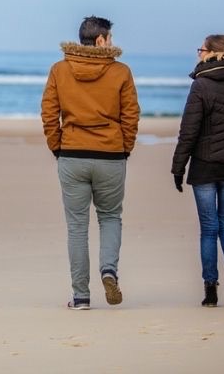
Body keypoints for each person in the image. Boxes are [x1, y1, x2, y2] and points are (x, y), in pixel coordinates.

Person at [41, 16, 140, 310]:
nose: (111, 43)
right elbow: (131, 116)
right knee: (110, 217)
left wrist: (57, 147)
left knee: (77, 227)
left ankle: (81, 296)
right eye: (109, 38)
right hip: (110, 155)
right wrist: (124, 149)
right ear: (100, 40)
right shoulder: (121, 71)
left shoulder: (59, 70)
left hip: (72, 154)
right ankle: (108, 270)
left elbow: (49, 113)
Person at [171, 34, 224, 307]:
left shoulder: (201, 86)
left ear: (212, 53)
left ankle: (210, 289)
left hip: (205, 165)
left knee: (209, 228)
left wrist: (178, 166)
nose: (198, 54)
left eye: (200, 50)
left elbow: (189, 131)